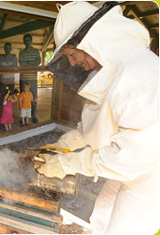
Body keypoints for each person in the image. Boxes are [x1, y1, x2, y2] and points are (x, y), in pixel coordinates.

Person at [37, 2, 159, 235]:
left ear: (93, 40)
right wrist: (65, 144)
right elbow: (103, 123)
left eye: (72, 54)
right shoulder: (112, 70)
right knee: (101, 213)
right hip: (131, 170)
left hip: (152, 180)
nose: (72, 63)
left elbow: (132, 157)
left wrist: (68, 163)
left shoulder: (139, 75)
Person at [19, 34, 41, 123]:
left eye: (29, 40)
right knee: (23, 98)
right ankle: (23, 117)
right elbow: (21, 63)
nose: (27, 42)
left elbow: (38, 61)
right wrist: (32, 63)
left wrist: (27, 62)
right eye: (25, 40)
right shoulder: (21, 52)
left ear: (31, 41)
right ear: (23, 42)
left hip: (33, 78)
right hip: (23, 78)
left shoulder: (36, 51)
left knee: (34, 97)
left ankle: (33, 116)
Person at [0, 42, 18, 110]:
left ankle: (7, 112)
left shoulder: (14, 58)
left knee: (9, 97)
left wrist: (5, 68)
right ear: (4, 49)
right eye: (6, 47)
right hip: (2, 82)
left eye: (9, 47)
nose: (8, 49)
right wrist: (9, 68)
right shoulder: (0, 59)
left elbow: (15, 68)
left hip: (11, 82)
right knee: (1, 97)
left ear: (11, 48)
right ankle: (1, 111)